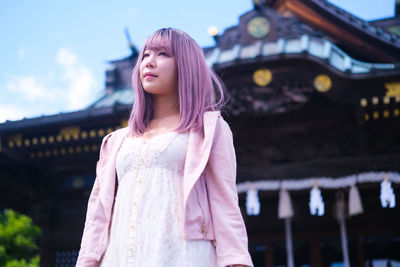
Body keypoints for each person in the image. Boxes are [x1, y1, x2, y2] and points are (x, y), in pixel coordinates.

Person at [76, 28, 253, 267]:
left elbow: (225, 203)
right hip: (120, 257)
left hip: (184, 256)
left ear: (185, 65)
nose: (149, 62)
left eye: (162, 54)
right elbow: (97, 214)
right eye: (146, 54)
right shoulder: (116, 141)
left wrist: (237, 262)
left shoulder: (209, 130)